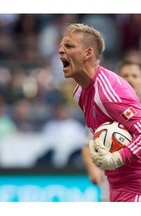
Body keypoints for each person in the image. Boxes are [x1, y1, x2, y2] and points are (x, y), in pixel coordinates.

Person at [58, 23, 141, 202]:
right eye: (61, 45)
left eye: (69, 46)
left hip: (135, 188)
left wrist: (118, 157)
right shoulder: (79, 93)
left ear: (88, 53)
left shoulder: (109, 91)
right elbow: (93, 138)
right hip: (115, 186)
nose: (60, 50)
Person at [81, 60, 141, 201]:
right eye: (125, 75)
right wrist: (93, 169)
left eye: (134, 75)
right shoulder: (105, 108)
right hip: (112, 181)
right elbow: (87, 144)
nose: (129, 79)